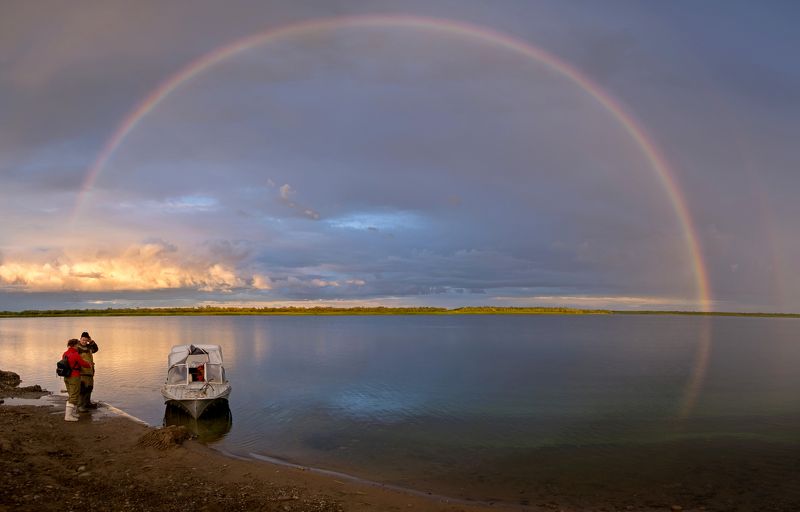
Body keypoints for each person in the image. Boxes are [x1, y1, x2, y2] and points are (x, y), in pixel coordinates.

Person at [62, 338, 91, 421]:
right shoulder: (75, 354)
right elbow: (83, 364)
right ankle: (68, 416)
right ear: (75, 345)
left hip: (66, 377)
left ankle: (72, 413)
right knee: (74, 396)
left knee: (71, 395)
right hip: (74, 377)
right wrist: (89, 364)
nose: (78, 346)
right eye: (77, 344)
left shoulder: (65, 353)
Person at [77, 331, 99, 412]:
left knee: (89, 388)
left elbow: (96, 349)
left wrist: (91, 341)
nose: (84, 342)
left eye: (86, 340)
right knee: (82, 389)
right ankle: (80, 406)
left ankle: (87, 403)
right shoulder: (77, 348)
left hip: (90, 372)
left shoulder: (89, 347)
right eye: (83, 340)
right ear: (80, 339)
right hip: (82, 373)